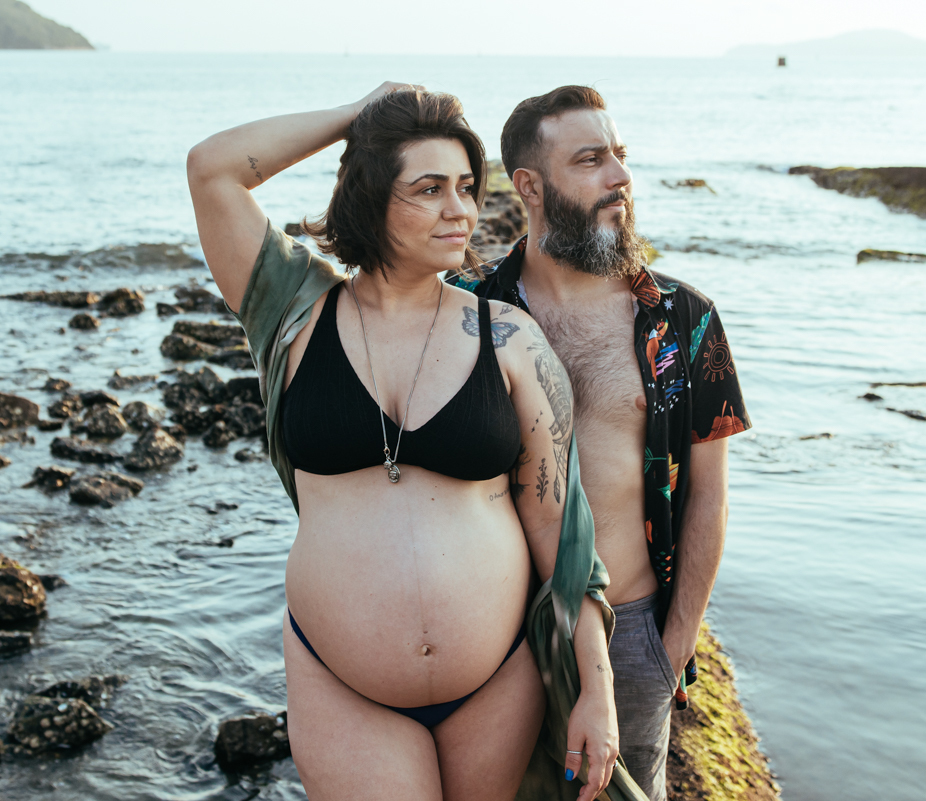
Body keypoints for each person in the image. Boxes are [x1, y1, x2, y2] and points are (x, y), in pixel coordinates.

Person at [186, 84, 636, 801]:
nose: (460, 209)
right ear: (370, 197)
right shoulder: (294, 314)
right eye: (429, 188)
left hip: (498, 681)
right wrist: (358, 116)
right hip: (345, 686)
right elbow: (213, 168)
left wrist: (597, 689)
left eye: (465, 186)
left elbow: (563, 533)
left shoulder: (510, 339)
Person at [450, 85, 752, 801]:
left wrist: (671, 644)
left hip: (634, 634)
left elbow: (709, 491)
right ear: (530, 186)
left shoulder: (685, 319)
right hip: (490, 638)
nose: (620, 175)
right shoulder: (463, 312)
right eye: (591, 159)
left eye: (620, 155)